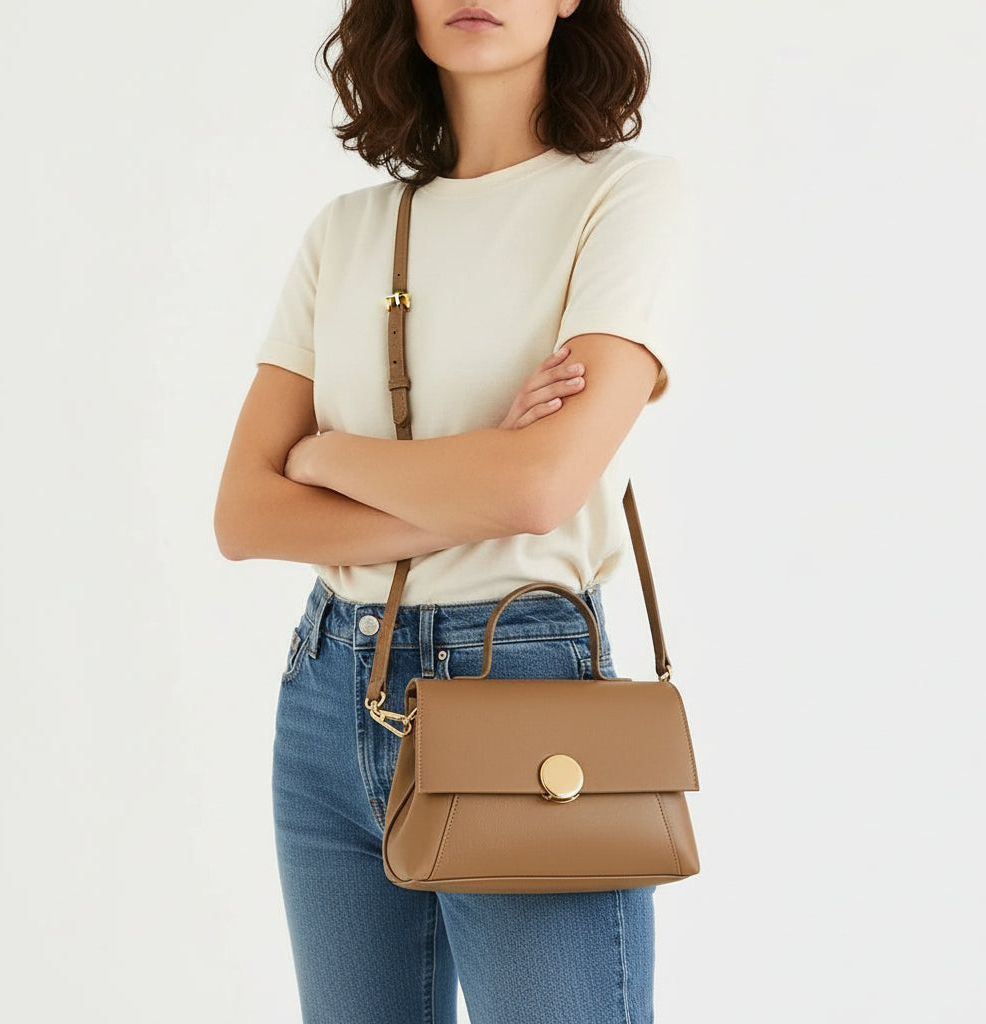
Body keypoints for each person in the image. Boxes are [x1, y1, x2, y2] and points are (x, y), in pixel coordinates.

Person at [214, 2, 692, 1021]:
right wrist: (473, 479)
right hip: (330, 687)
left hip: (521, 675)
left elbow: (537, 489)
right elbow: (246, 515)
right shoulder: (347, 231)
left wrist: (329, 457)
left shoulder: (623, 196)